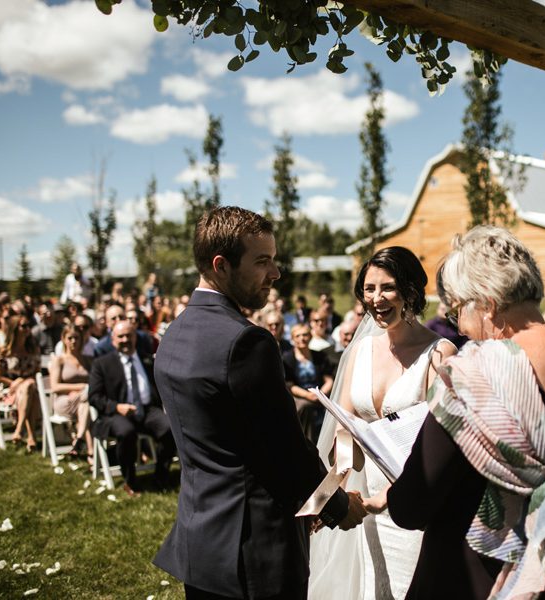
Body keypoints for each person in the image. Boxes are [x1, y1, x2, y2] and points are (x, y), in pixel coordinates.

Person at [362, 227, 545, 599]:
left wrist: (393, 495)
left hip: (475, 578)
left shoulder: (474, 377)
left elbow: (412, 506)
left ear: (488, 304)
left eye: (459, 308)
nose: (459, 325)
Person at [152, 206, 365, 600]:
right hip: (255, 549)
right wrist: (335, 505)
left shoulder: (174, 334)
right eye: (262, 261)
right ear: (221, 265)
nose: (276, 273)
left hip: (200, 540)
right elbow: (285, 450)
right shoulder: (247, 342)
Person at [309, 246, 458, 600]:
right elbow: (346, 434)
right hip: (369, 509)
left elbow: (443, 448)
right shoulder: (361, 351)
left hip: (417, 506)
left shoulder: (440, 354)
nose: (376, 298)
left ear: (410, 290)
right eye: (369, 289)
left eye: (387, 287)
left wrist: (382, 499)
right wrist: (325, 499)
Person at [88, 320, 175, 497]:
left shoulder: (146, 359)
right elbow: (94, 397)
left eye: (129, 335)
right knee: (126, 432)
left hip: (147, 410)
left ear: (135, 337)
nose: (125, 339)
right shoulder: (102, 364)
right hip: (116, 414)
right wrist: (116, 406)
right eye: (121, 336)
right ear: (113, 340)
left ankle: (161, 474)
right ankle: (130, 481)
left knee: (169, 428)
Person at [0, 314, 42, 453]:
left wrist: (22, 381)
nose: (27, 329)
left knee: (29, 387)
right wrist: (15, 383)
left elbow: (37, 372)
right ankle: (31, 436)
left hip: (30, 386)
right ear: (15, 329)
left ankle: (19, 429)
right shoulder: (5, 351)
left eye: (29, 326)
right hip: (10, 390)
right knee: (29, 391)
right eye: (23, 326)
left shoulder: (33, 349)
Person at [283, 323, 334, 443]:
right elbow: (290, 385)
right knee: (306, 406)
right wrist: (308, 396)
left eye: (305, 335)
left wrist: (320, 394)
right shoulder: (287, 359)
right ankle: (308, 442)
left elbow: (329, 379)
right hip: (299, 396)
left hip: (320, 394)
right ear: (292, 339)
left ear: (310, 336)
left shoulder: (319, 356)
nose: (302, 338)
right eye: (298, 336)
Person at [50, 324, 93, 462]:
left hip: (83, 400)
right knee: (87, 400)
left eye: (77, 338)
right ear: (63, 339)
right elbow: (55, 387)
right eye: (70, 338)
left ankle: (81, 443)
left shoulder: (87, 359)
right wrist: (79, 387)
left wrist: (83, 391)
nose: (73, 341)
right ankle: (89, 450)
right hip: (64, 400)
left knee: (85, 404)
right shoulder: (59, 360)